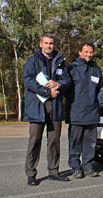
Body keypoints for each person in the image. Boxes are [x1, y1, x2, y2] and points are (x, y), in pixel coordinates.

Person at [23, 33, 71, 186]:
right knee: (35, 140)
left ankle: (53, 170)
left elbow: (68, 80)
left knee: (54, 141)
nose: (49, 46)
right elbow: (28, 81)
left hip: (55, 106)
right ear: (40, 44)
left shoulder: (60, 62)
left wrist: (58, 85)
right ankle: (31, 173)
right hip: (37, 105)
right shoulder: (32, 61)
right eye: (46, 43)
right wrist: (46, 91)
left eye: (51, 43)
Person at [66, 41, 102, 178]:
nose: (89, 54)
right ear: (80, 52)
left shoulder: (96, 69)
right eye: (86, 52)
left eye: (91, 52)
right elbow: (66, 89)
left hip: (92, 111)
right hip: (76, 112)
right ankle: (75, 167)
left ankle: (88, 165)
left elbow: (97, 88)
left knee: (90, 142)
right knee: (75, 141)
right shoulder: (72, 68)